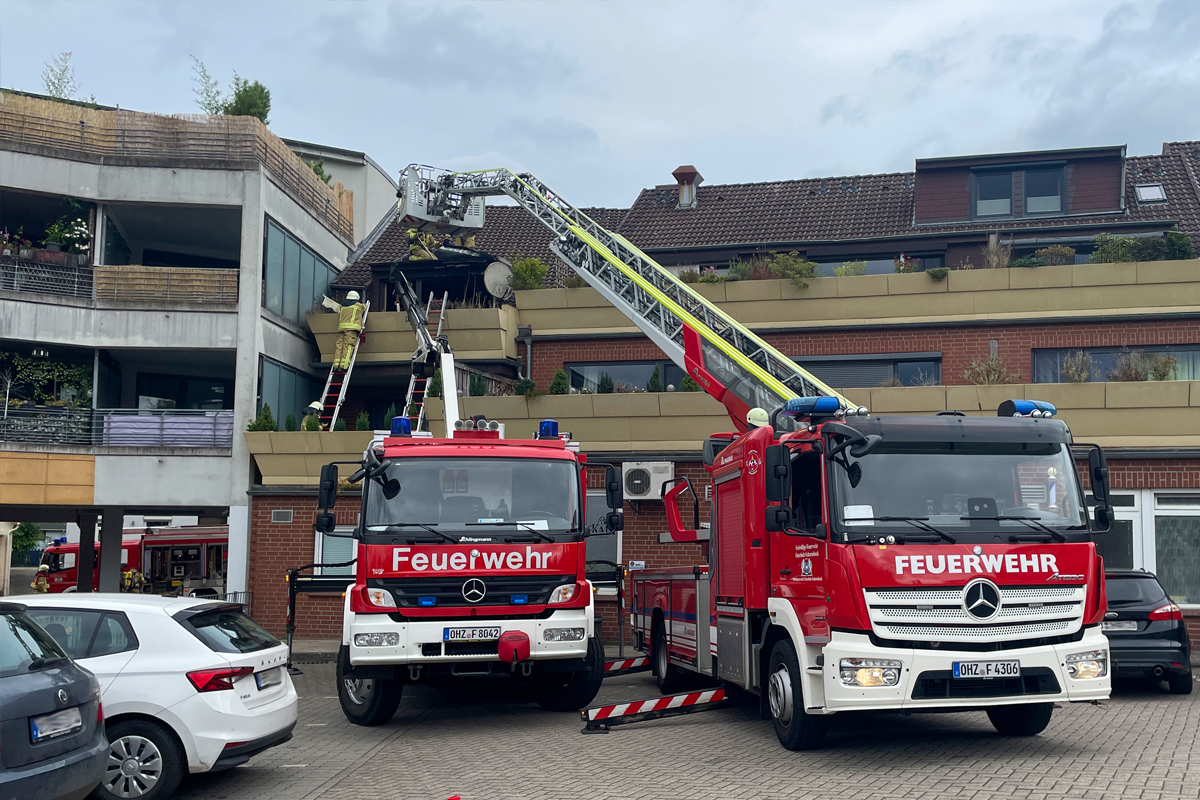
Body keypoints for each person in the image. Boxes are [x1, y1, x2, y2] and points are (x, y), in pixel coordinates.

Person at [333, 291, 367, 372]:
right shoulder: (358, 306)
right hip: (351, 330)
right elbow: (364, 307)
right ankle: (343, 366)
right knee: (348, 347)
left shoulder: (342, 306)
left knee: (339, 347)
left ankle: (336, 365)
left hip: (341, 329)